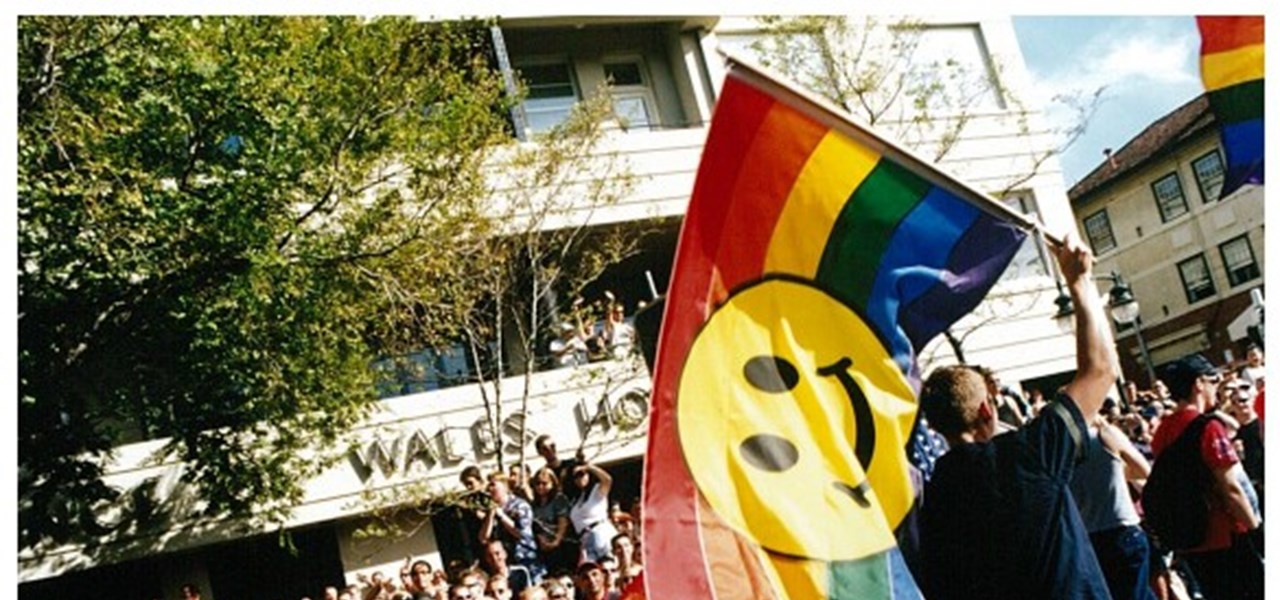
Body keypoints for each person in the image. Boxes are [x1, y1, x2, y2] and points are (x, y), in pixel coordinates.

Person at [917, 232, 1116, 600]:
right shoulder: (1029, 454)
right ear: (986, 410)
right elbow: (1100, 370)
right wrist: (1080, 282)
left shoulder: (933, 497)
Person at [1150, 353, 1263, 600]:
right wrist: (1256, 530)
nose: (1216, 388)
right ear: (1198, 384)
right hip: (1226, 534)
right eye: (1212, 381)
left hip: (1191, 537)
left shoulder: (1162, 431)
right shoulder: (1207, 427)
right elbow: (1231, 488)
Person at [1070, 415, 1156, 600]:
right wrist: (1115, 470)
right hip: (1122, 528)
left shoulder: (1056, 450)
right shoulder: (1106, 434)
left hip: (1089, 538)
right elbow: (1145, 470)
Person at [480, 472, 545, 585]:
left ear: (504, 486)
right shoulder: (492, 510)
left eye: (493, 485)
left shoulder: (520, 505)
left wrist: (501, 516)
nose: (489, 489)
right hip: (506, 564)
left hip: (525, 559)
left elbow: (522, 534)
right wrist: (490, 515)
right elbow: (483, 538)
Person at [567, 460, 619, 564]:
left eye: (581, 474)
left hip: (600, 531)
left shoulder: (596, 491)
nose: (579, 478)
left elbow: (607, 480)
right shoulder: (576, 499)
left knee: (608, 564)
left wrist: (588, 467)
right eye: (575, 476)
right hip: (584, 539)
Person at [530, 466, 576, 575]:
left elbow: (563, 521)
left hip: (561, 545)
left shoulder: (558, 499)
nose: (541, 487)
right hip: (543, 546)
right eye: (538, 483)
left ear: (552, 483)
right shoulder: (534, 504)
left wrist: (556, 541)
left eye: (544, 483)